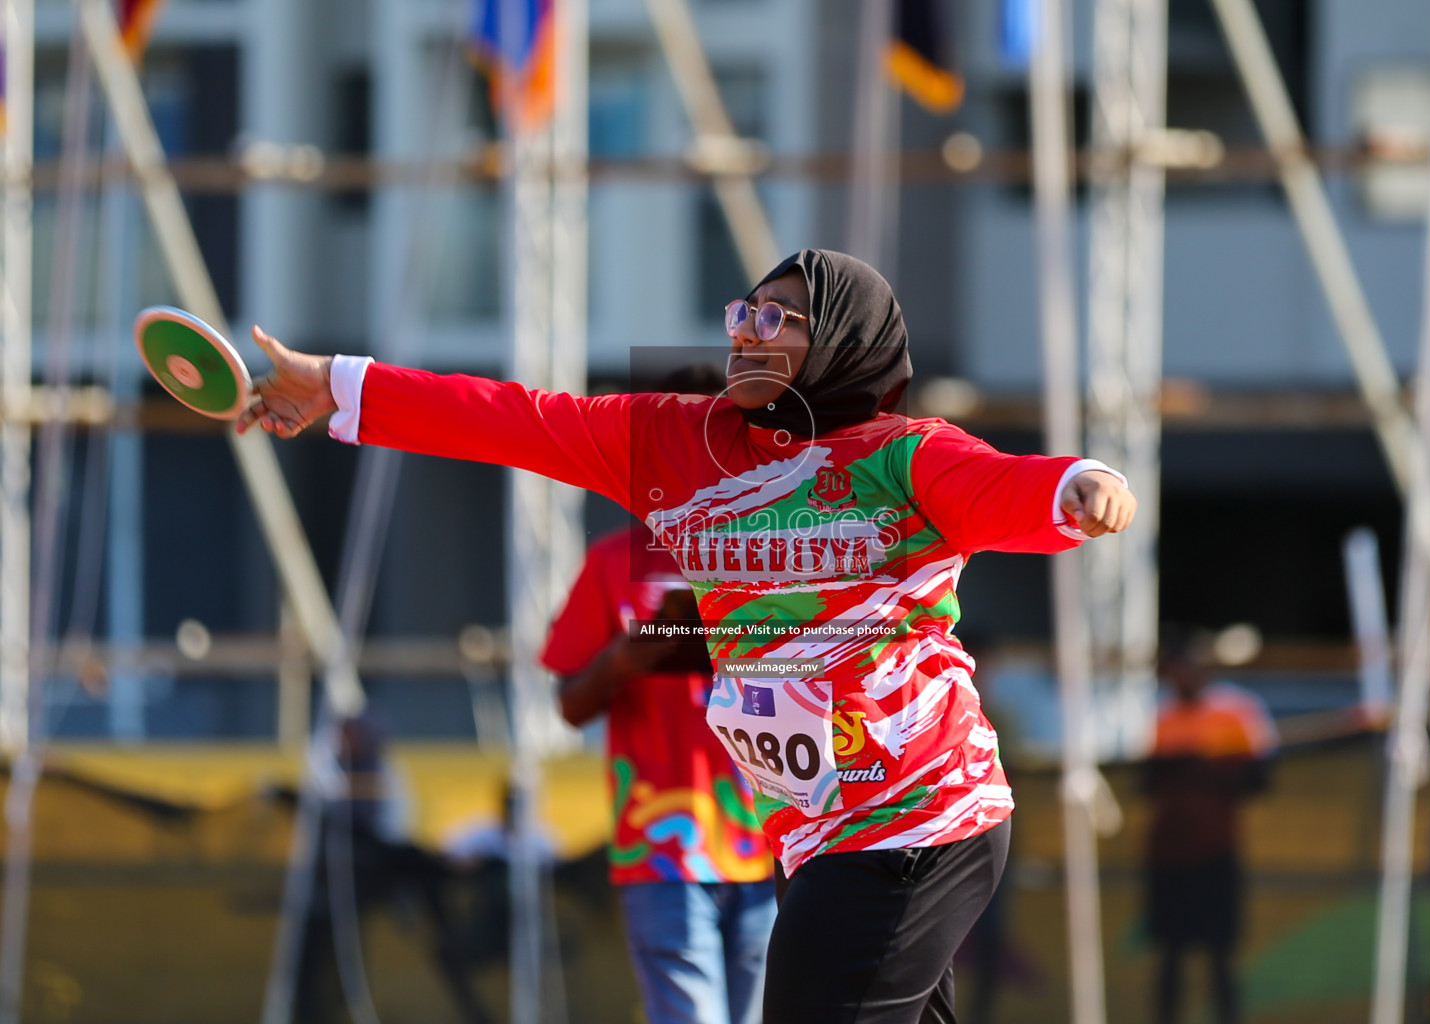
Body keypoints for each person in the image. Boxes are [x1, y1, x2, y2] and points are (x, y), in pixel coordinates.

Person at [238, 248, 1137, 1023]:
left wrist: (1084, 483)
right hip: (812, 830)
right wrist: (333, 385)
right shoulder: (672, 441)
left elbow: (1008, 486)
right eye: (744, 311)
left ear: (844, 342)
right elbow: (511, 417)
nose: (747, 330)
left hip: (921, 812)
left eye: (780, 317)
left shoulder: (903, 453)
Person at [545, 516, 777, 1024]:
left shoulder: (782, 554)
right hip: (662, 846)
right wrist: (618, 663)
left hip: (777, 840)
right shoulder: (612, 561)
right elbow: (568, 704)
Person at [1143, 629, 1276, 1024]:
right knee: (1170, 954)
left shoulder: (1237, 711)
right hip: (1169, 853)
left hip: (1215, 851)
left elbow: (1260, 777)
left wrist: (1207, 771)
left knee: (1220, 954)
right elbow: (1147, 783)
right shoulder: (1161, 717)